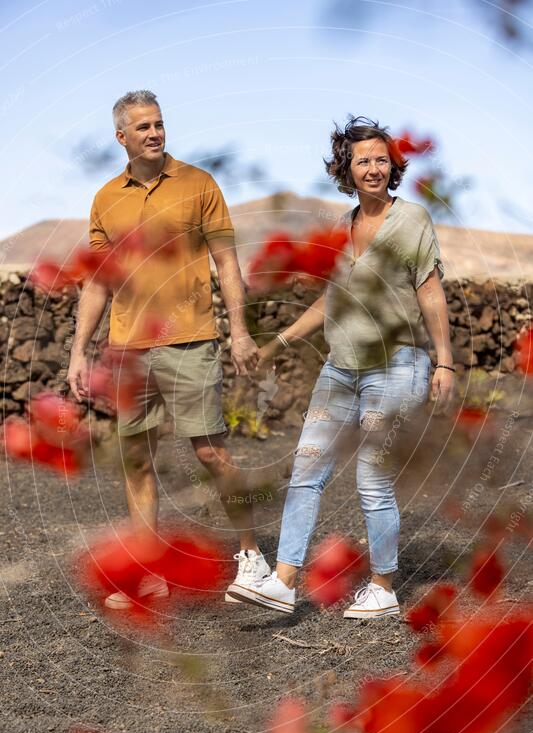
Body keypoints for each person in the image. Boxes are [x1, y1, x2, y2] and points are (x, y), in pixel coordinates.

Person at [227, 116, 455, 618]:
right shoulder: (340, 227)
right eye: (362, 161)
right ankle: (284, 581)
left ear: (392, 167)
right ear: (346, 170)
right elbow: (331, 302)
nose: (373, 169)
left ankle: (384, 588)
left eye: (381, 160)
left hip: (397, 368)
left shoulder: (412, 219)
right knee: (306, 471)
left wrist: (445, 362)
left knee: (372, 480)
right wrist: (278, 342)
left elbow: (430, 291)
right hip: (339, 371)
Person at [67, 90, 270, 609]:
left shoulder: (200, 184)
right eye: (143, 127)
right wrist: (78, 352)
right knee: (137, 458)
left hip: (192, 340)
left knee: (211, 451)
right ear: (122, 137)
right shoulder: (106, 198)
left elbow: (227, 264)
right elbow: (97, 282)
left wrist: (240, 331)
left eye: (159, 124)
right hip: (127, 351)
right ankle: (147, 572)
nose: (155, 133)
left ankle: (252, 558)